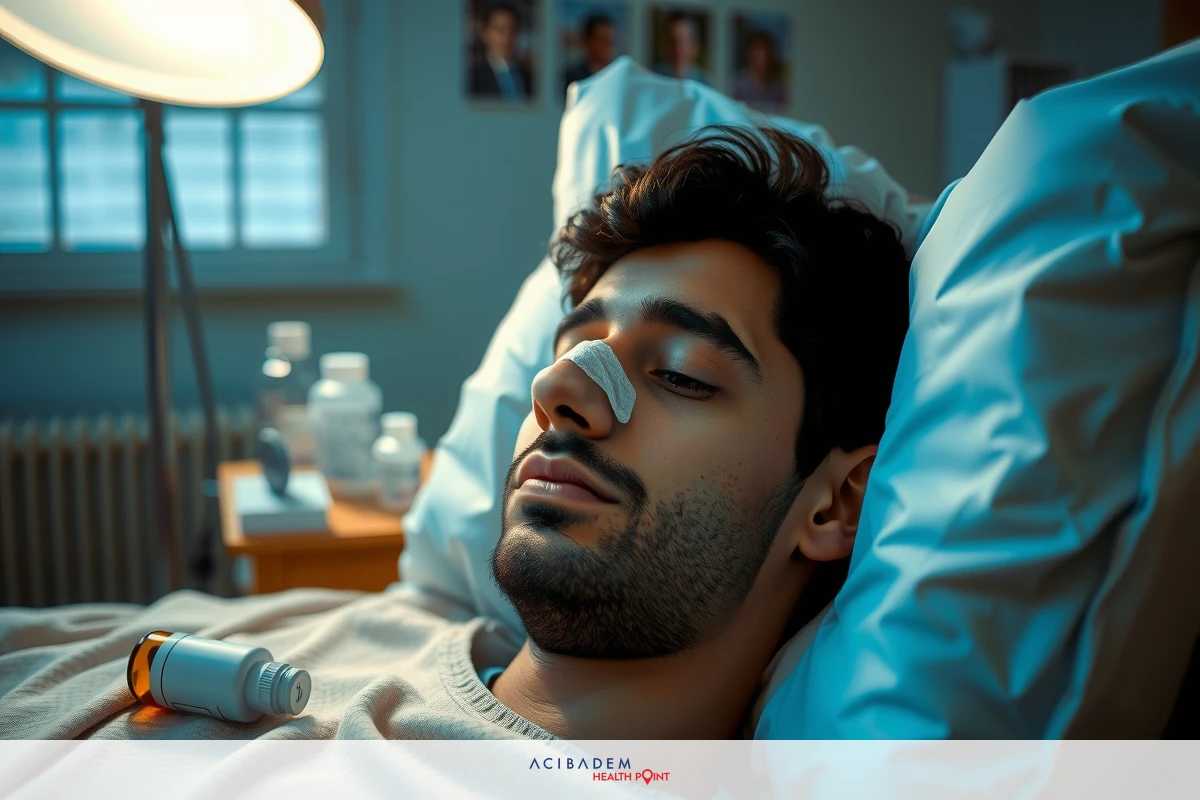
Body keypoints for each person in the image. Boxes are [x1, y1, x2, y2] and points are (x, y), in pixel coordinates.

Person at [0, 126, 910, 741]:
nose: (557, 390)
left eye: (678, 373)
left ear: (835, 502)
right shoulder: (335, 632)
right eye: (571, 351)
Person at [469, 1, 533, 100]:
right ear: (485, 32)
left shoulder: (528, 77)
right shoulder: (473, 78)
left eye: (512, 30)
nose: (506, 38)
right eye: (500, 30)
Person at [563, 12, 618, 97]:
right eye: (602, 40)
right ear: (588, 41)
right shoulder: (572, 77)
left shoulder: (616, 78)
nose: (607, 47)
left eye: (610, 41)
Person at [733, 30, 786, 109]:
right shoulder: (736, 86)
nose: (763, 54)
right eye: (758, 49)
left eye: (767, 49)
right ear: (749, 53)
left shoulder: (780, 90)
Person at [652, 11, 708, 84]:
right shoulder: (653, 78)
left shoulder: (703, 82)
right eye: (672, 41)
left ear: (694, 45)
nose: (678, 48)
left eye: (683, 41)